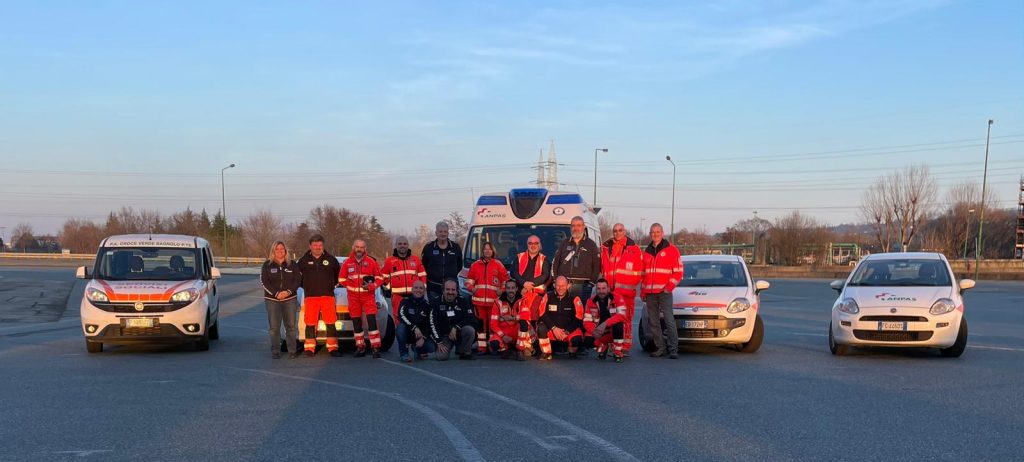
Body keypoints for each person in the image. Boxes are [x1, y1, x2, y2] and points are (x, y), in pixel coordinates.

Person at [641, 223, 683, 359]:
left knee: (669, 320)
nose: (655, 234)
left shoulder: (672, 250)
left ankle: (673, 349)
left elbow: (678, 273)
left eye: (658, 232)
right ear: (650, 234)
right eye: (653, 232)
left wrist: (668, 287)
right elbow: (643, 274)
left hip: (665, 292)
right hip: (650, 293)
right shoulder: (646, 251)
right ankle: (660, 348)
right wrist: (643, 291)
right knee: (654, 322)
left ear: (662, 233)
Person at [600, 223, 643, 355]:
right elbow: (603, 268)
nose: (617, 233)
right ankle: (614, 344)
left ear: (624, 231)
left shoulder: (634, 249)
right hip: (611, 293)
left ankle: (624, 346)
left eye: (620, 230)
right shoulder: (607, 248)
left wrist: (629, 287)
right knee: (612, 317)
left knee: (626, 319)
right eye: (615, 230)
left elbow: (639, 272)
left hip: (626, 294)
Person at [297, 234, 342, 357]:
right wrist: (307, 286)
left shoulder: (332, 260)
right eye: (315, 245)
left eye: (320, 245)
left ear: (323, 246)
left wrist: (331, 286)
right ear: (310, 246)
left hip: (328, 296)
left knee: (331, 322)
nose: (318, 247)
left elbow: (338, 277)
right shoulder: (303, 261)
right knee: (310, 322)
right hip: (310, 297)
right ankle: (310, 348)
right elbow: (297, 278)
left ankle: (333, 347)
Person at [339, 239, 384, 358]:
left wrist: (371, 286)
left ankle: (375, 348)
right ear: (353, 247)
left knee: (372, 322)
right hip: (353, 297)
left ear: (365, 248)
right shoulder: (347, 263)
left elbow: (380, 278)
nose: (359, 249)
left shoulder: (371, 262)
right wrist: (350, 286)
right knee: (357, 324)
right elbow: (341, 279)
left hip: (368, 296)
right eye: (357, 247)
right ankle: (360, 347)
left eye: (362, 247)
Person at [260, 241, 301, 359]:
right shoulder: (267, 265)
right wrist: (277, 293)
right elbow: (264, 281)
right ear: (273, 251)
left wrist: (288, 292)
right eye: (277, 249)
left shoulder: (292, 264)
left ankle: (292, 351)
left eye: (281, 249)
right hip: (272, 299)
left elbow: (297, 280)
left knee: (291, 327)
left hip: (290, 299)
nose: (279, 251)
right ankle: (275, 351)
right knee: (274, 327)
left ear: (285, 250)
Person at [465, 241, 509, 354]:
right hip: (479, 302)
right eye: (485, 249)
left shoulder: (498, 264)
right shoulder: (475, 265)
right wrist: (472, 288)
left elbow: (506, 280)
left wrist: (502, 290)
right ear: (482, 251)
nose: (487, 251)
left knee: (493, 325)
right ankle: (482, 348)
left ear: (493, 251)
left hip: (493, 303)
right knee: (481, 327)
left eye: (489, 249)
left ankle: (493, 346)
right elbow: (469, 281)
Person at [551, 216, 601, 301]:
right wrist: (556, 280)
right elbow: (555, 263)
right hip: (564, 286)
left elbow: (597, 265)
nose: (576, 228)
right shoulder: (564, 243)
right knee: (565, 312)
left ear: (583, 227)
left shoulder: (591, 244)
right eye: (573, 225)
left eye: (578, 225)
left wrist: (591, 283)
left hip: (583, 287)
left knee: (581, 312)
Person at [536, 276, 585, 360]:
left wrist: (567, 332)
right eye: (558, 285)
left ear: (568, 286)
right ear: (554, 285)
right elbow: (542, 313)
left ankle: (571, 351)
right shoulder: (548, 296)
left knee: (577, 340)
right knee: (541, 328)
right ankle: (546, 352)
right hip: (552, 329)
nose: (560, 288)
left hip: (568, 331)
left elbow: (579, 318)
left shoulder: (575, 299)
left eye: (563, 286)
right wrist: (554, 328)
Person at [428, 279, 477, 360]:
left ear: (457, 291)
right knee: (441, 357)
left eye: (453, 290)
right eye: (447, 289)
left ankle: (465, 352)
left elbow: (470, 318)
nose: (450, 292)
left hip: (458, 333)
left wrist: (456, 327)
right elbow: (432, 323)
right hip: (444, 336)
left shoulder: (462, 300)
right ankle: (451, 348)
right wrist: (438, 342)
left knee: (470, 330)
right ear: (443, 290)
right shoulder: (435, 302)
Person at [382, 235, 427, 322]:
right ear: (396, 245)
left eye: (404, 244)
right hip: (397, 297)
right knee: (399, 321)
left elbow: (423, 275)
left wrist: (422, 289)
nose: (402, 246)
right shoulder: (389, 261)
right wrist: (389, 288)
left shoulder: (415, 260)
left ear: (408, 245)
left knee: (416, 320)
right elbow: (383, 277)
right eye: (400, 244)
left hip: (414, 297)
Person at [583, 279, 628, 362]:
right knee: (587, 341)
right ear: (596, 289)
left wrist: (605, 323)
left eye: (603, 288)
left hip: (612, 331)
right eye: (599, 289)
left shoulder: (617, 298)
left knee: (619, 325)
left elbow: (622, 316)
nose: (601, 291)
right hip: (599, 331)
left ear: (608, 288)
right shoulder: (590, 301)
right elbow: (586, 321)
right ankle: (602, 346)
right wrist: (593, 331)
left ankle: (617, 351)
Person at [421, 221, 463, 300]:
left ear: (448, 233)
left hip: (451, 289)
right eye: (440, 231)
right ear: (436, 233)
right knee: (434, 311)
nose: (443, 234)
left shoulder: (455, 247)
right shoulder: (428, 247)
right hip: (433, 288)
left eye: (445, 232)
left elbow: (459, 266)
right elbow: (423, 267)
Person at [396, 280, 435, 362]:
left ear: (424, 291)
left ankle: (417, 350)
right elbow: (401, 316)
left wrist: (424, 338)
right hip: (408, 332)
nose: (418, 290)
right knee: (400, 328)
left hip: (420, 335)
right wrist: (414, 327)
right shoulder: (405, 302)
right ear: (412, 290)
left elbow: (430, 324)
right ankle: (404, 353)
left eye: (421, 288)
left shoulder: (428, 305)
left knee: (432, 347)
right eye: (416, 288)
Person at [510, 235, 551, 308]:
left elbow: (545, 275)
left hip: (537, 296)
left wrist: (528, 286)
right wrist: (524, 283)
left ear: (539, 245)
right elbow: (513, 273)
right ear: (527, 245)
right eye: (530, 243)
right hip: (520, 294)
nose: (533, 246)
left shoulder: (544, 259)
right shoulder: (519, 257)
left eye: (536, 243)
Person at [489, 279, 522, 359]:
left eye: (513, 288)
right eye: (508, 288)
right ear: (505, 289)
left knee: (525, 324)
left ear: (517, 289)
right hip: (504, 332)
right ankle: (505, 350)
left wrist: (512, 318)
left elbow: (526, 316)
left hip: (518, 332)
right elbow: (493, 323)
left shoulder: (522, 300)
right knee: (494, 343)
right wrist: (503, 336)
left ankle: (521, 349)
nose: (510, 290)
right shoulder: (498, 302)